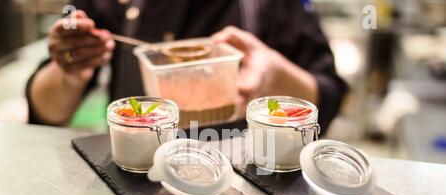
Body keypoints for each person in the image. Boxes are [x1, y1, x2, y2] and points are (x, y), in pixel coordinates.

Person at [27, 0, 347, 131]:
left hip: (248, 184)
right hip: (138, 181)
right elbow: (48, 113)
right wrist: (68, 73)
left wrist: (276, 74)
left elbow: (329, 97)